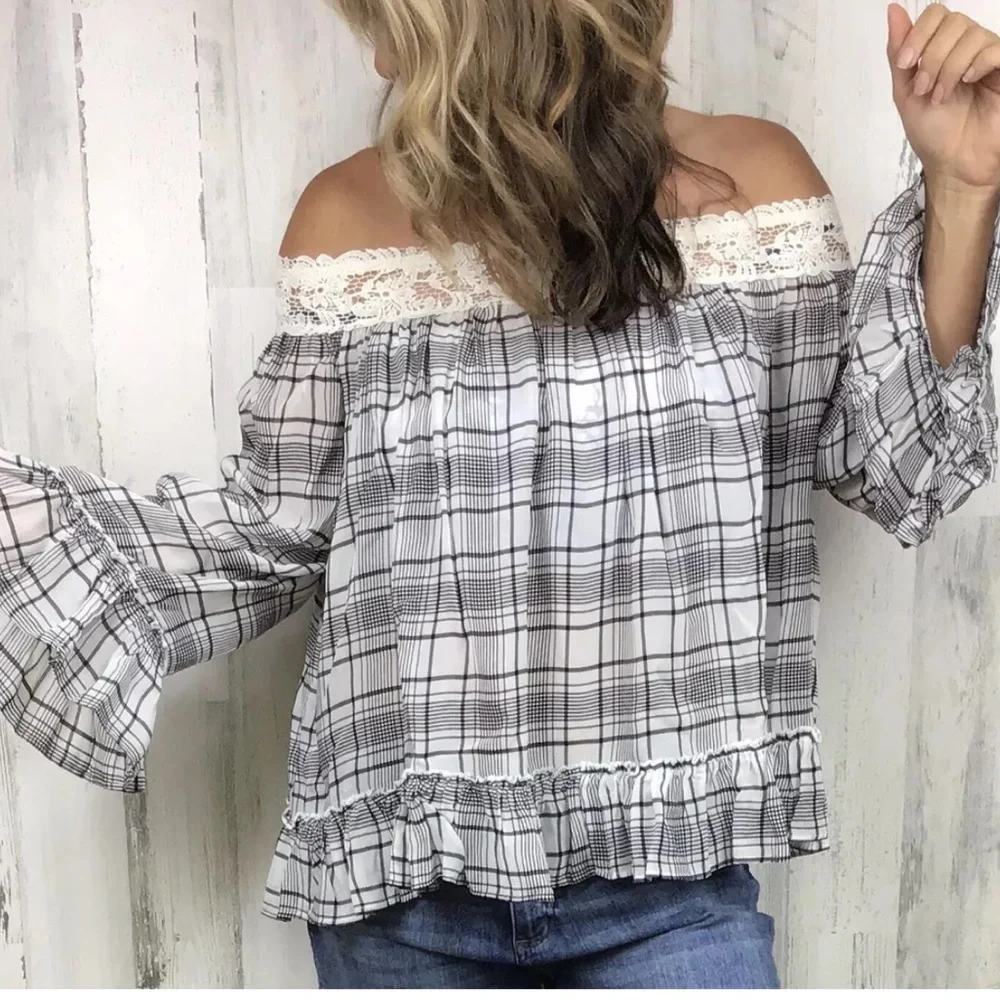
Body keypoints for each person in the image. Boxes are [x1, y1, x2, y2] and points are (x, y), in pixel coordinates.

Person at [2, 0, 999, 989]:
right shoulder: (346, 218)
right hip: (403, 901)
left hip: (668, 884)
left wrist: (963, 185)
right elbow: (275, 528)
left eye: (389, 22)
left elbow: (896, 468)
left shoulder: (755, 190)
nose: (380, 60)